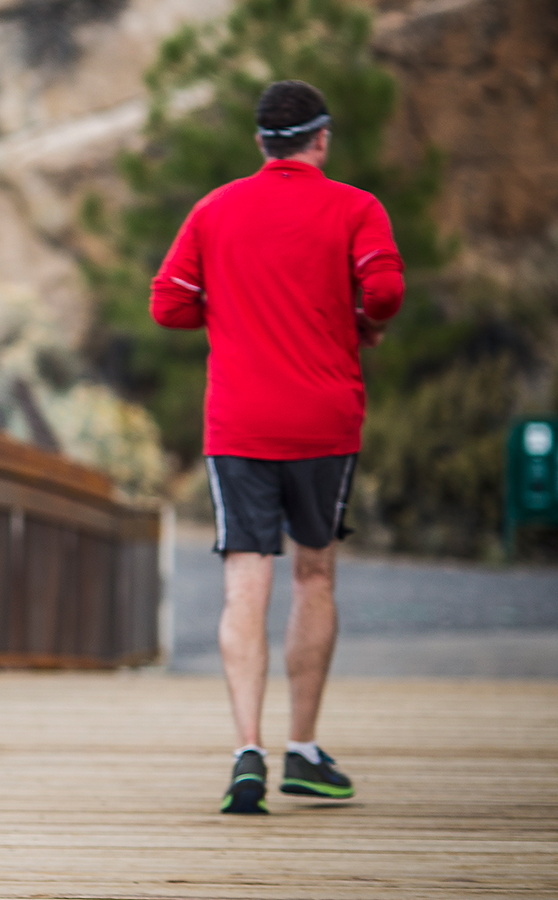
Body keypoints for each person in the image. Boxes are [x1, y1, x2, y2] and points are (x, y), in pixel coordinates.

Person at [149, 80, 405, 814]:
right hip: (325, 420)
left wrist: (228, 305)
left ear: (260, 142)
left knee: (244, 584)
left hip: (239, 424)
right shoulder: (357, 208)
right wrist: (355, 317)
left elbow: (167, 304)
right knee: (314, 576)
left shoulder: (214, 209)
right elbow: (385, 294)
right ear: (320, 140)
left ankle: (246, 754)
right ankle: (304, 749)